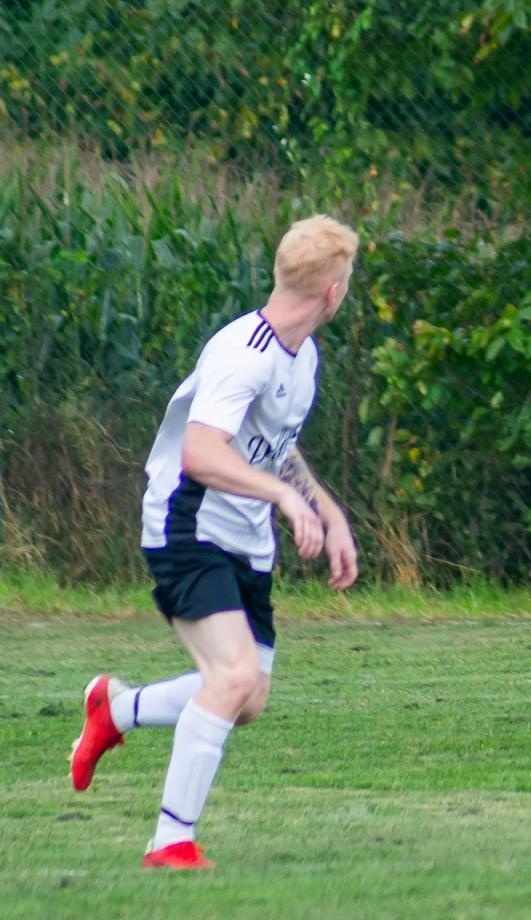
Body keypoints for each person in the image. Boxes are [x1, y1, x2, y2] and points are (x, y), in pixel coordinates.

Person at [71, 215, 362, 869]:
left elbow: (277, 451)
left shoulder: (302, 356)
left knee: (247, 697)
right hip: (187, 526)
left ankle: (115, 710)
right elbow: (201, 454)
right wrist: (287, 500)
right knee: (230, 679)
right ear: (333, 292)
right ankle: (171, 841)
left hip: (244, 536)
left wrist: (327, 510)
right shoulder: (244, 354)